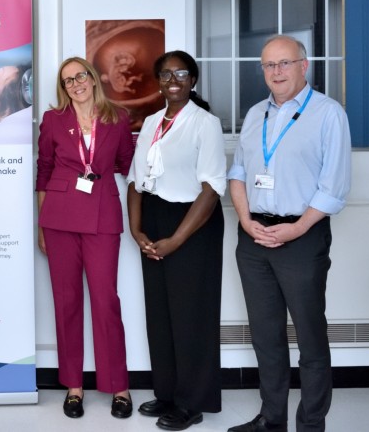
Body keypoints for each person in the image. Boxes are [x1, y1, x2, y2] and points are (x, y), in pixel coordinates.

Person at [227, 35, 351, 432]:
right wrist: (246, 222)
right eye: (268, 65)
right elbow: (238, 174)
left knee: (311, 339)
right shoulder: (254, 115)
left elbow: (334, 187)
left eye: (284, 63)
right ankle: (271, 419)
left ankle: (311, 425)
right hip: (253, 237)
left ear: (304, 65)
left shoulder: (328, 114)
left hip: (301, 236)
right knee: (266, 337)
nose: (276, 72)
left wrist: (296, 228)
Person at [126, 51, 226, 431]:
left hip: (192, 223)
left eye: (181, 73)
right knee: (161, 313)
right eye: (166, 74)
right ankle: (167, 392)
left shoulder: (205, 124)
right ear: (158, 81)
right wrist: (137, 232)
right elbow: (136, 182)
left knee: (191, 314)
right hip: (152, 218)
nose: (173, 80)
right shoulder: (152, 121)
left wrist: (176, 239)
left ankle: (192, 401)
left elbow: (212, 188)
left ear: (193, 79)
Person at [35, 56, 134, 420]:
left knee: (106, 300)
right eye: (67, 81)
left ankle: (118, 386)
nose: (75, 84)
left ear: (92, 79)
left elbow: (126, 162)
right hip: (59, 218)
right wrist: (41, 223)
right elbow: (43, 169)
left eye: (80, 77)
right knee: (67, 301)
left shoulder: (118, 119)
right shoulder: (53, 120)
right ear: (63, 89)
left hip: (103, 216)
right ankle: (74, 386)